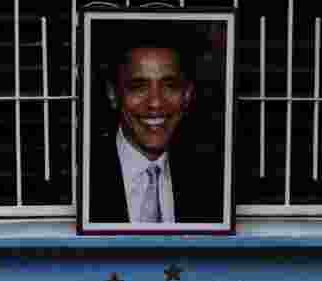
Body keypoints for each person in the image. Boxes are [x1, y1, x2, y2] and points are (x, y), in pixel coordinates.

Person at [88, 27, 223, 225]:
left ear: (187, 94)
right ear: (113, 94)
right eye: (139, 87)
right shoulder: (84, 175)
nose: (156, 103)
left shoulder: (210, 178)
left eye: (170, 85)